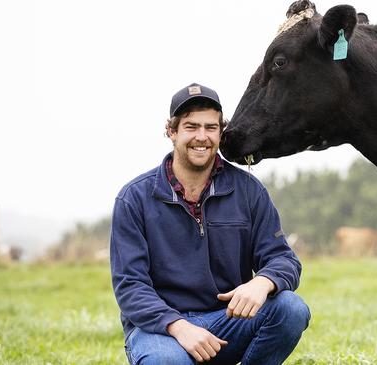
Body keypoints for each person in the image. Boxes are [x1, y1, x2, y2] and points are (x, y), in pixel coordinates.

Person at [110, 83, 310, 365]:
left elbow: (283, 259)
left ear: (220, 132)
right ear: (172, 131)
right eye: (191, 127)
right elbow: (130, 286)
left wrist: (264, 282)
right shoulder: (134, 198)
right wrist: (179, 327)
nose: (201, 137)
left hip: (227, 321)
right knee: (167, 362)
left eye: (210, 127)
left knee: (291, 309)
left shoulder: (249, 191)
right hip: (162, 331)